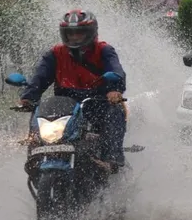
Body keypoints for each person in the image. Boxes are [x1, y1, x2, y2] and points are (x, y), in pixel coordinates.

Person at [19, 10, 128, 170]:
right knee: (38, 115)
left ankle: (111, 160)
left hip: (97, 102)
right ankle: (35, 157)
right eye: (70, 34)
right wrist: (28, 97)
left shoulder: (104, 50)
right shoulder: (55, 54)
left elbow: (116, 71)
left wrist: (114, 90)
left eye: (79, 33)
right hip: (65, 105)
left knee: (115, 111)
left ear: (91, 32)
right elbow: (40, 77)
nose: (75, 37)